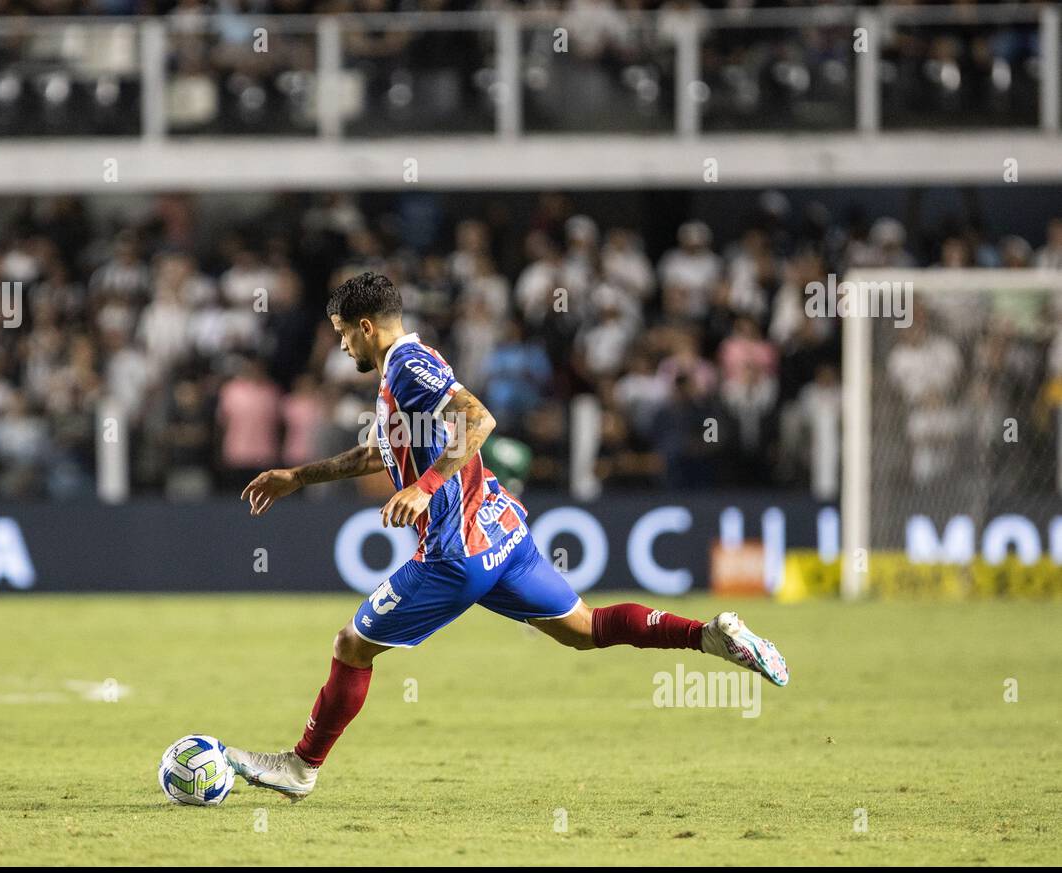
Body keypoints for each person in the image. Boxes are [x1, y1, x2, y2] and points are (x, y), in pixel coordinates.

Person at [228, 273, 789, 800]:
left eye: (342, 334)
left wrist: (424, 487)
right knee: (584, 629)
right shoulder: (405, 370)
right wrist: (298, 476)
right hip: (502, 536)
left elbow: (479, 420)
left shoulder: (406, 365)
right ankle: (709, 636)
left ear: (365, 327)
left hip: (457, 553)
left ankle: (302, 766)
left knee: (351, 647)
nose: (341, 347)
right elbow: (379, 452)